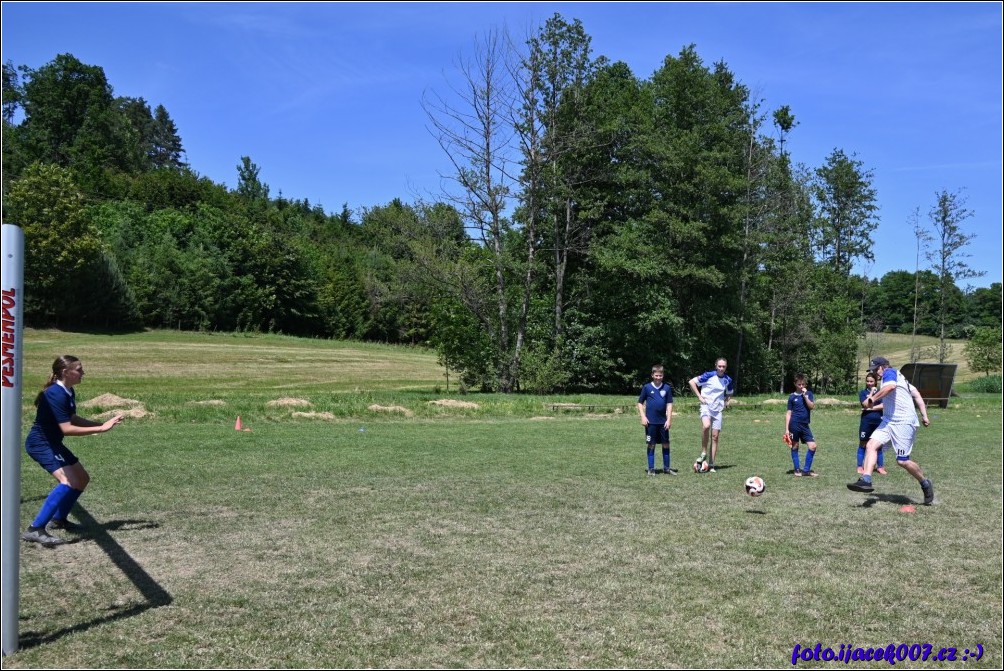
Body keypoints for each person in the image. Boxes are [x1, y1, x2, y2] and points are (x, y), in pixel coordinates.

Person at [21, 355, 124, 546]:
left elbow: (72, 418)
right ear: (65, 372)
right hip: (40, 444)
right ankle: (35, 529)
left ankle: (59, 519)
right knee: (68, 481)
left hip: (53, 443)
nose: (83, 372)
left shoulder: (68, 391)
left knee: (82, 479)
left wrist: (100, 424)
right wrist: (101, 429)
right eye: (79, 369)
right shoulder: (55, 393)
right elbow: (67, 428)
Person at [848, 357, 934, 504]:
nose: (874, 373)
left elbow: (890, 388)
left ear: (883, 366)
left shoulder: (890, 373)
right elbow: (917, 395)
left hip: (904, 422)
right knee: (870, 445)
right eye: (872, 370)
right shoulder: (900, 379)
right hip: (888, 421)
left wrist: (872, 399)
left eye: (876, 369)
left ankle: (925, 483)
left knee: (902, 461)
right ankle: (866, 479)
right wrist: (924, 416)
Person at [687, 358, 734, 473]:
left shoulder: (728, 379)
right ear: (715, 366)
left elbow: (730, 392)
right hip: (706, 406)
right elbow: (692, 382)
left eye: (723, 366)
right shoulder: (708, 375)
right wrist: (699, 397)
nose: (721, 368)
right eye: (719, 366)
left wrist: (727, 401)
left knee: (715, 437)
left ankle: (712, 464)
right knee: (706, 426)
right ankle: (704, 452)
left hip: (718, 410)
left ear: (726, 367)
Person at [637, 364, 676, 476]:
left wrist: (669, 420)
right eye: (656, 375)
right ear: (652, 375)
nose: (658, 377)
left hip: (663, 422)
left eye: (660, 375)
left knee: (666, 444)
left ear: (663, 375)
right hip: (651, 423)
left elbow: (669, 404)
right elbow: (640, 403)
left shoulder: (667, 388)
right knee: (651, 445)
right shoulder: (647, 387)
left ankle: (667, 468)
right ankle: (651, 469)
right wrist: (643, 417)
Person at [785, 373, 819, 477]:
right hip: (794, 424)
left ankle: (806, 470)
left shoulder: (809, 394)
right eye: (799, 384)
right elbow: (789, 413)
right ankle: (797, 470)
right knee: (795, 446)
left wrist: (805, 396)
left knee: (813, 446)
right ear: (795, 384)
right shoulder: (791, 397)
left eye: (803, 384)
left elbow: (811, 406)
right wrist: (786, 429)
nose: (801, 386)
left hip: (805, 425)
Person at [857, 372, 887, 475]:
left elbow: (884, 405)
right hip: (866, 421)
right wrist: (871, 394)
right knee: (863, 444)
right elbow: (865, 404)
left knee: (878, 445)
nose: (869, 383)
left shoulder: (881, 393)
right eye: (868, 381)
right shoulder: (862, 393)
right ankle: (860, 466)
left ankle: (880, 467)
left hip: (879, 421)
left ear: (876, 382)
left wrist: (871, 408)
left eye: (871, 381)